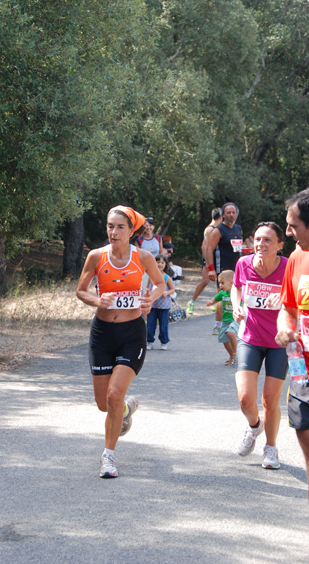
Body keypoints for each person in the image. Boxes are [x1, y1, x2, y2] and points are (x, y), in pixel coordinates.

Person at [76, 205, 165, 479]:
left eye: (120, 227)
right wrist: (96, 299)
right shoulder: (95, 256)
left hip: (131, 334)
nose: (113, 232)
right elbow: (80, 290)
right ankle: (127, 408)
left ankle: (108, 457)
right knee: (105, 404)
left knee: (114, 394)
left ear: (131, 231)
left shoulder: (144, 257)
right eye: (110, 226)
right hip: (102, 333)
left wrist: (151, 297)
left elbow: (161, 284)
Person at [232, 222, 287, 469]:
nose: (260, 244)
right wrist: (236, 305)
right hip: (250, 338)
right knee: (245, 399)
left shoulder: (288, 267)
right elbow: (236, 287)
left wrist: (286, 297)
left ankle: (271, 448)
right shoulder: (243, 264)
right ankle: (255, 426)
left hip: (278, 342)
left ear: (279, 245)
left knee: (270, 401)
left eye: (267, 240)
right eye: (257, 239)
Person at [275, 188, 309, 496]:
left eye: (293, 225)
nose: (287, 231)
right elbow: (287, 308)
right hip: (302, 363)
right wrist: (285, 327)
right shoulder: (297, 258)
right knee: (302, 425)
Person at [205, 202, 243, 334]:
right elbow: (209, 249)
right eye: (228, 213)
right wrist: (211, 268)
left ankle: (234, 322)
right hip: (223, 268)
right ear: (223, 214)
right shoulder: (218, 230)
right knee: (222, 295)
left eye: (233, 213)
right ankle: (218, 324)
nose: (231, 215)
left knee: (237, 294)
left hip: (237, 268)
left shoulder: (238, 228)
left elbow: (238, 249)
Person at [187, 207, 222, 315]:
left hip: (215, 257)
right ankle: (191, 302)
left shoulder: (217, 228)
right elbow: (204, 246)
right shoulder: (210, 229)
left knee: (220, 281)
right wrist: (208, 263)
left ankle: (217, 304)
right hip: (208, 258)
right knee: (205, 281)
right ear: (221, 217)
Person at [206, 270, 239, 365]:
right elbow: (215, 299)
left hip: (235, 319)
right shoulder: (222, 293)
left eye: (222, 283)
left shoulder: (238, 292)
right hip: (225, 321)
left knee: (230, 333)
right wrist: (210, 302)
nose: (220, 285)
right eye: (219, 283)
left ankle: (237, 354)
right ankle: (232, 356)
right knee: (223, 338)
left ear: (231, 283)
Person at [146, 254, 175, 350]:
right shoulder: (151, 276)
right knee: (150, 324)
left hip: (164, 306)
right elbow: (147, 287)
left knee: (163, 326)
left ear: (166, 264)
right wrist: (147, 295)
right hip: (153, 304)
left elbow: (172, 290)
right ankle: (149, 341)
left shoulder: (167, 277)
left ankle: (164, 341)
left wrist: (167, 292)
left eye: (162, 263)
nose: (160, 264)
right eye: (158, 262)